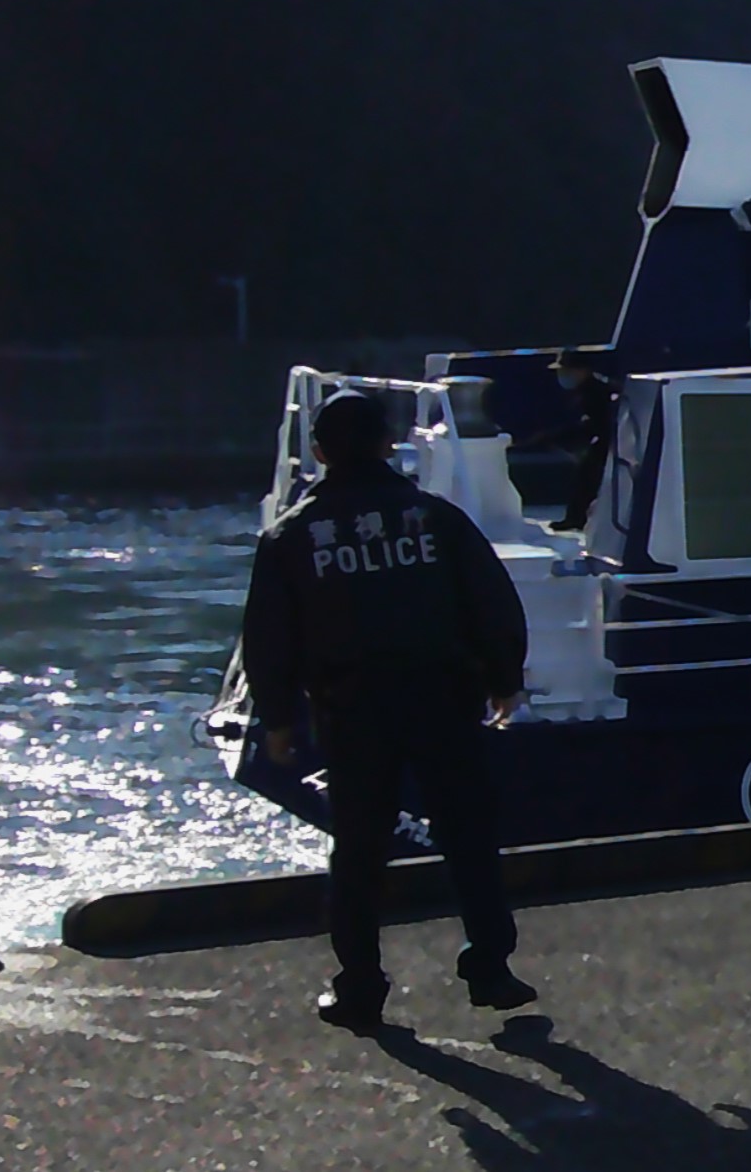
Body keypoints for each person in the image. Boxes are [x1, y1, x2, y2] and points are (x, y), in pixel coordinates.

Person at [241, 388, 536, 1031]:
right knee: (468, 836)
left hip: (351, 711)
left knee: (359, 850)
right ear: (386, 445)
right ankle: (491, 968)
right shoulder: (436, 519)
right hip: (442, 699)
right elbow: (491, 601)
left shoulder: (291, 537)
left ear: (319, 452)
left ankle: (361, 986)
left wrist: (279, 721)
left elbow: (269, 638)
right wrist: (503, 679)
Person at [538, 349, 621, 535]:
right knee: (586, 476)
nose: (563, 376)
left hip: (611, 440)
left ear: (582, 370)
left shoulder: (597, 391)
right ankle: (577, 517)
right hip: (604, 439)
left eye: (566, 371)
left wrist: (561, 437)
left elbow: (599, 423)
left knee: (589, 475)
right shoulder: (588, 389)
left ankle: (577, 518)